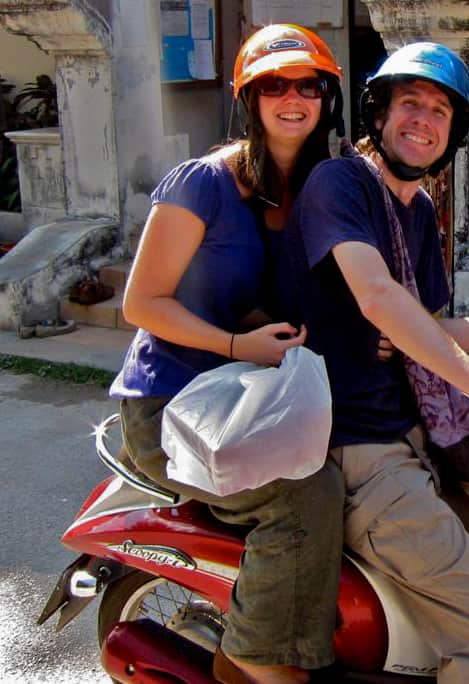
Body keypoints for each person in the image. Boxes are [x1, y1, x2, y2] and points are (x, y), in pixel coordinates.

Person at [277, 43, 469, 682]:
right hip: (361, 446)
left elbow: (426, 326)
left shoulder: (418, 212)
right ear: (379, 115)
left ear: (453, 134)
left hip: (417, 428)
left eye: (439, 111)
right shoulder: (340, 184)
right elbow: (377, 294)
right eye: (409, 104)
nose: (422, 119)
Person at [109, 24, 348, 684]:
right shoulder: (206, 183)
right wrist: (237, 343)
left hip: (246, 392)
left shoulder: (311, 187)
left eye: (308, 85)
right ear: (251, 99)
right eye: (275, 85)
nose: (292, 98)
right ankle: (259, 654)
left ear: (326, 97)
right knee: (305, 492)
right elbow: (143, 302)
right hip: (173, 402)